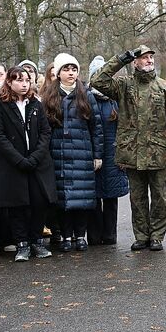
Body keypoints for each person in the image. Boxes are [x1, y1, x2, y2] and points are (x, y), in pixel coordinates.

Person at [93, 45, 166, 251]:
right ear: (135, 61)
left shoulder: (164, 87)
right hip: (132, 152)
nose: (149, 60)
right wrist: (121, 58)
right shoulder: (124, 86)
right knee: (137, 197)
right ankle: (142, 235)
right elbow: (97, 80)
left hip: (158, 152)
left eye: (151, 57)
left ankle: (157, 236)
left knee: (159, 196)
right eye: (144, 57)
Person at [0, 66, 56, 262]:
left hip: (37, 163)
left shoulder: (36, 104)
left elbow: (45, 132)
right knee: (17, 205)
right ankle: (22, 243)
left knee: (39, 202)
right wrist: (18, 159)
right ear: (9, 82)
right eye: (18, 80)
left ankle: (36, 240)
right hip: (12, 163)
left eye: (26, 80)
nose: (24, 83)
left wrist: (35, 157)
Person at [43, 53, 102, 252]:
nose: (71, 73)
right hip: (58, 154)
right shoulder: (50, 97)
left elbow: (97, 128)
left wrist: (97, 155)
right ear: (58, 73)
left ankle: (80, 236)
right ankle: (66, 236)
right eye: (66, 69)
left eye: (74, 69)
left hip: (82, 153)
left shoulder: (87, 94)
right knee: (63, 200)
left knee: (83, 199)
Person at [87, 55, 128, 246]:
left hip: (113, 155)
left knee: (111, 198)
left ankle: (110, 234)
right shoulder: (86, 99)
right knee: (94, 196)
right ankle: (94, 235)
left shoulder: (116, 100)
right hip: (93, 154)